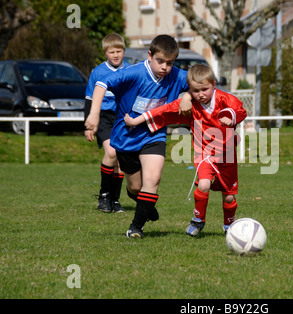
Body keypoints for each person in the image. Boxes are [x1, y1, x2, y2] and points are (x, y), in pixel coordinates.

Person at [85, 34, 192, 239]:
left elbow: (197, 82)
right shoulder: (133, 73)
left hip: (154, 136)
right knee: (135, 187)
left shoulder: (176, 75)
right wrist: (93, 114)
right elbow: (100, 84)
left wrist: (187, 94)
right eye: (160, 61)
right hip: (126, 137)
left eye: (170, 63)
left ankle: (136, 227)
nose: (164, 67)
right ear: (149, 55)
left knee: (153, 178)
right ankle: (143, 203)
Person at [124, 63, 247, 237]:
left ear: (213, 84)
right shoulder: (191, 105)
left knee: (228, 197)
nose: (201, 94)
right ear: (190, 90)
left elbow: (240, 110)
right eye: (195, 91)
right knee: (203, 184)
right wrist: (136, 121)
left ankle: (229, 224)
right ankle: (198, 220)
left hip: (226, 156)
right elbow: (164, 110)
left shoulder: (224, 99)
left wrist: (231, 116)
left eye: (205, 89)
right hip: (204, 155)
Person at [84, 33, 129, 213]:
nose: (116, 55)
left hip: (122, 117)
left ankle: (115, 200)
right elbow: (88, 99)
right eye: (112, 52)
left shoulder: (130, 71)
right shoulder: (98, 72)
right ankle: (104, 196)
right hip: (102, 117)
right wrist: (88, 125)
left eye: (119, 51)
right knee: (111, 152)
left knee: (120, 159)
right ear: (105, 54)